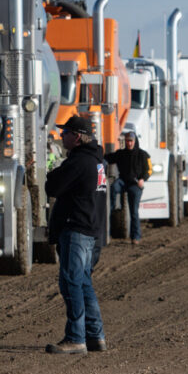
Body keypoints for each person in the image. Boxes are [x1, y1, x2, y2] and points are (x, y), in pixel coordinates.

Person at [44, 116, 108, 354]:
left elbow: (52, 187)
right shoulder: (97, 161)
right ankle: (95, 336)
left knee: (71, 283)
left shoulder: (80, 162)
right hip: (91, 229)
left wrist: (51, 173)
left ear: (77, 136)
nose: (62, 136)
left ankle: (76, 338)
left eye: (66, 132)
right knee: (83, 283)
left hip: (77, 229)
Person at [104, 131, 151, 243]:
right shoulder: (121, 154)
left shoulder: (143, 155)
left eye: (131, 141)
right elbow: (107, 158)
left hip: (135, 185)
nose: (129, 143)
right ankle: (112, 207)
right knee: (114, 187)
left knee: (133, 211)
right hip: (123, 181)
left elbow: (149, 170)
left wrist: (142, 179)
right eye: (127, 141)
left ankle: (135, 237)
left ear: (135, 141)